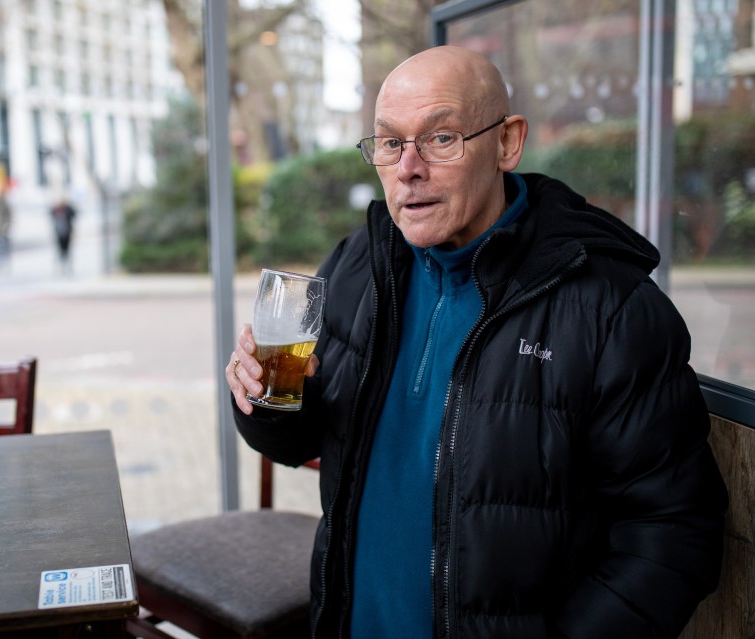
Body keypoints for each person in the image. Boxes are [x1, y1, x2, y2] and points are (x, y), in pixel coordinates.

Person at [226, 46, 727, 638]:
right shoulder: (361, 263)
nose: (409, 168)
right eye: (389, 143)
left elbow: (673, 533)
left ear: (507, 143)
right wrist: (263, 400)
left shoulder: (610, 306)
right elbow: (301, 438)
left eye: (440, 138)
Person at [50, 197, 77, 274]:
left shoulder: (68, 209)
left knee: (67, 249)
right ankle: (62, 266)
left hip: (67, 232)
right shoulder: (56, 210)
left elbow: (74, 214)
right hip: (59, 233)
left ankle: (68, 266)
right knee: (60, 250)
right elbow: (51, 213)